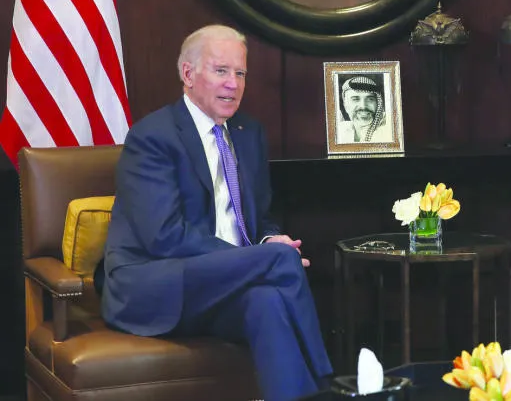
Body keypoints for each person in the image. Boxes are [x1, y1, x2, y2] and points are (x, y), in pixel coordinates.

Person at [97, 25, 332, 401]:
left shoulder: (248, 133)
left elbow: (258, 218)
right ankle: (327, 386)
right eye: (221, 71)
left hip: (226, 285)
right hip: (158, 283)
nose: (233, 84)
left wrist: (268, 239)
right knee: (281, 260)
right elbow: (164, 237)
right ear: (188, 74)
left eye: (240, 73)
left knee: (267, 301)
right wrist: (254, 258)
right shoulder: (152, 137)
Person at [336, 75, 392, 143]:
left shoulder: (389, 131)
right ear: (345, 105)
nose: (363, 106)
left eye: (370, 99)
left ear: (378, 103)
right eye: (355, 99)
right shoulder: (340, 130)